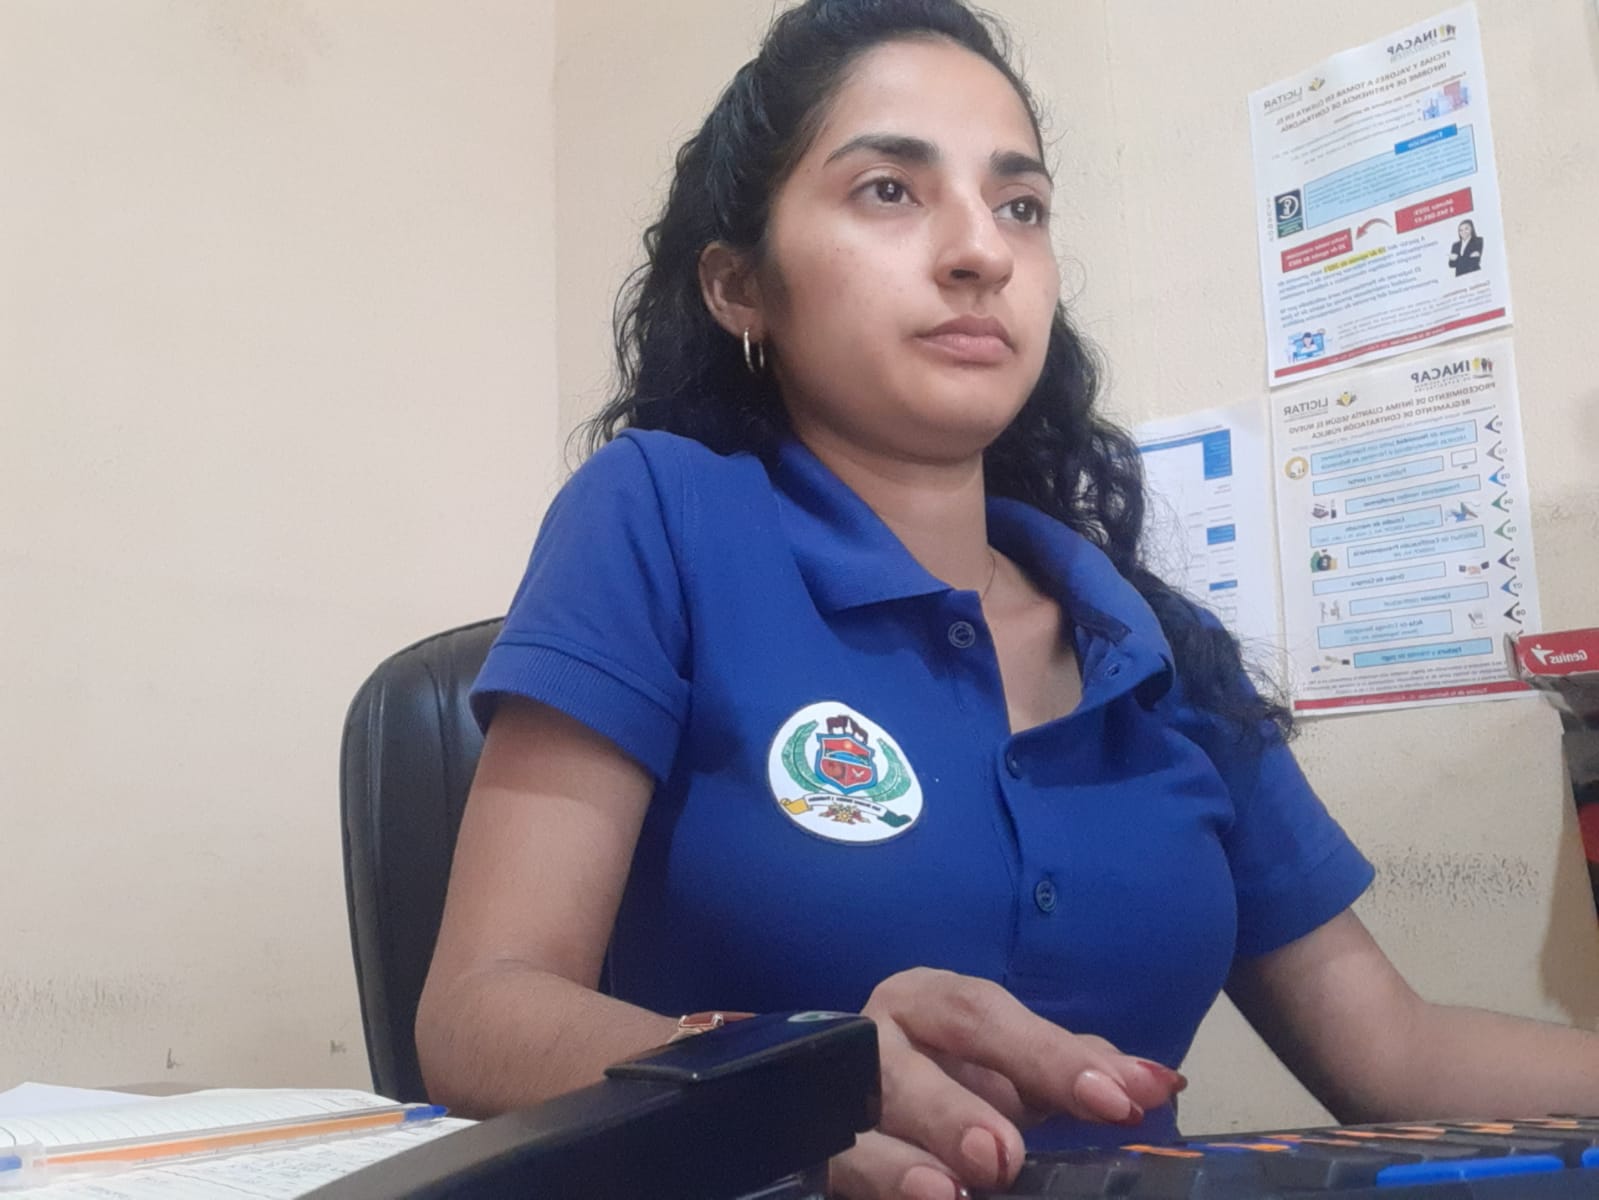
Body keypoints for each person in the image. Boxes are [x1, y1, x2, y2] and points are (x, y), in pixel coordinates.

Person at [416, 4, 1599, 1198]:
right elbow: (477, 1013)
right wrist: (789, 1081)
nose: (982, 250)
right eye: (890, 190)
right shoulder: (661, 517)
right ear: (740, 286)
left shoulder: (1155, 644)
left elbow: (1393, 1051)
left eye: (1019, 205)